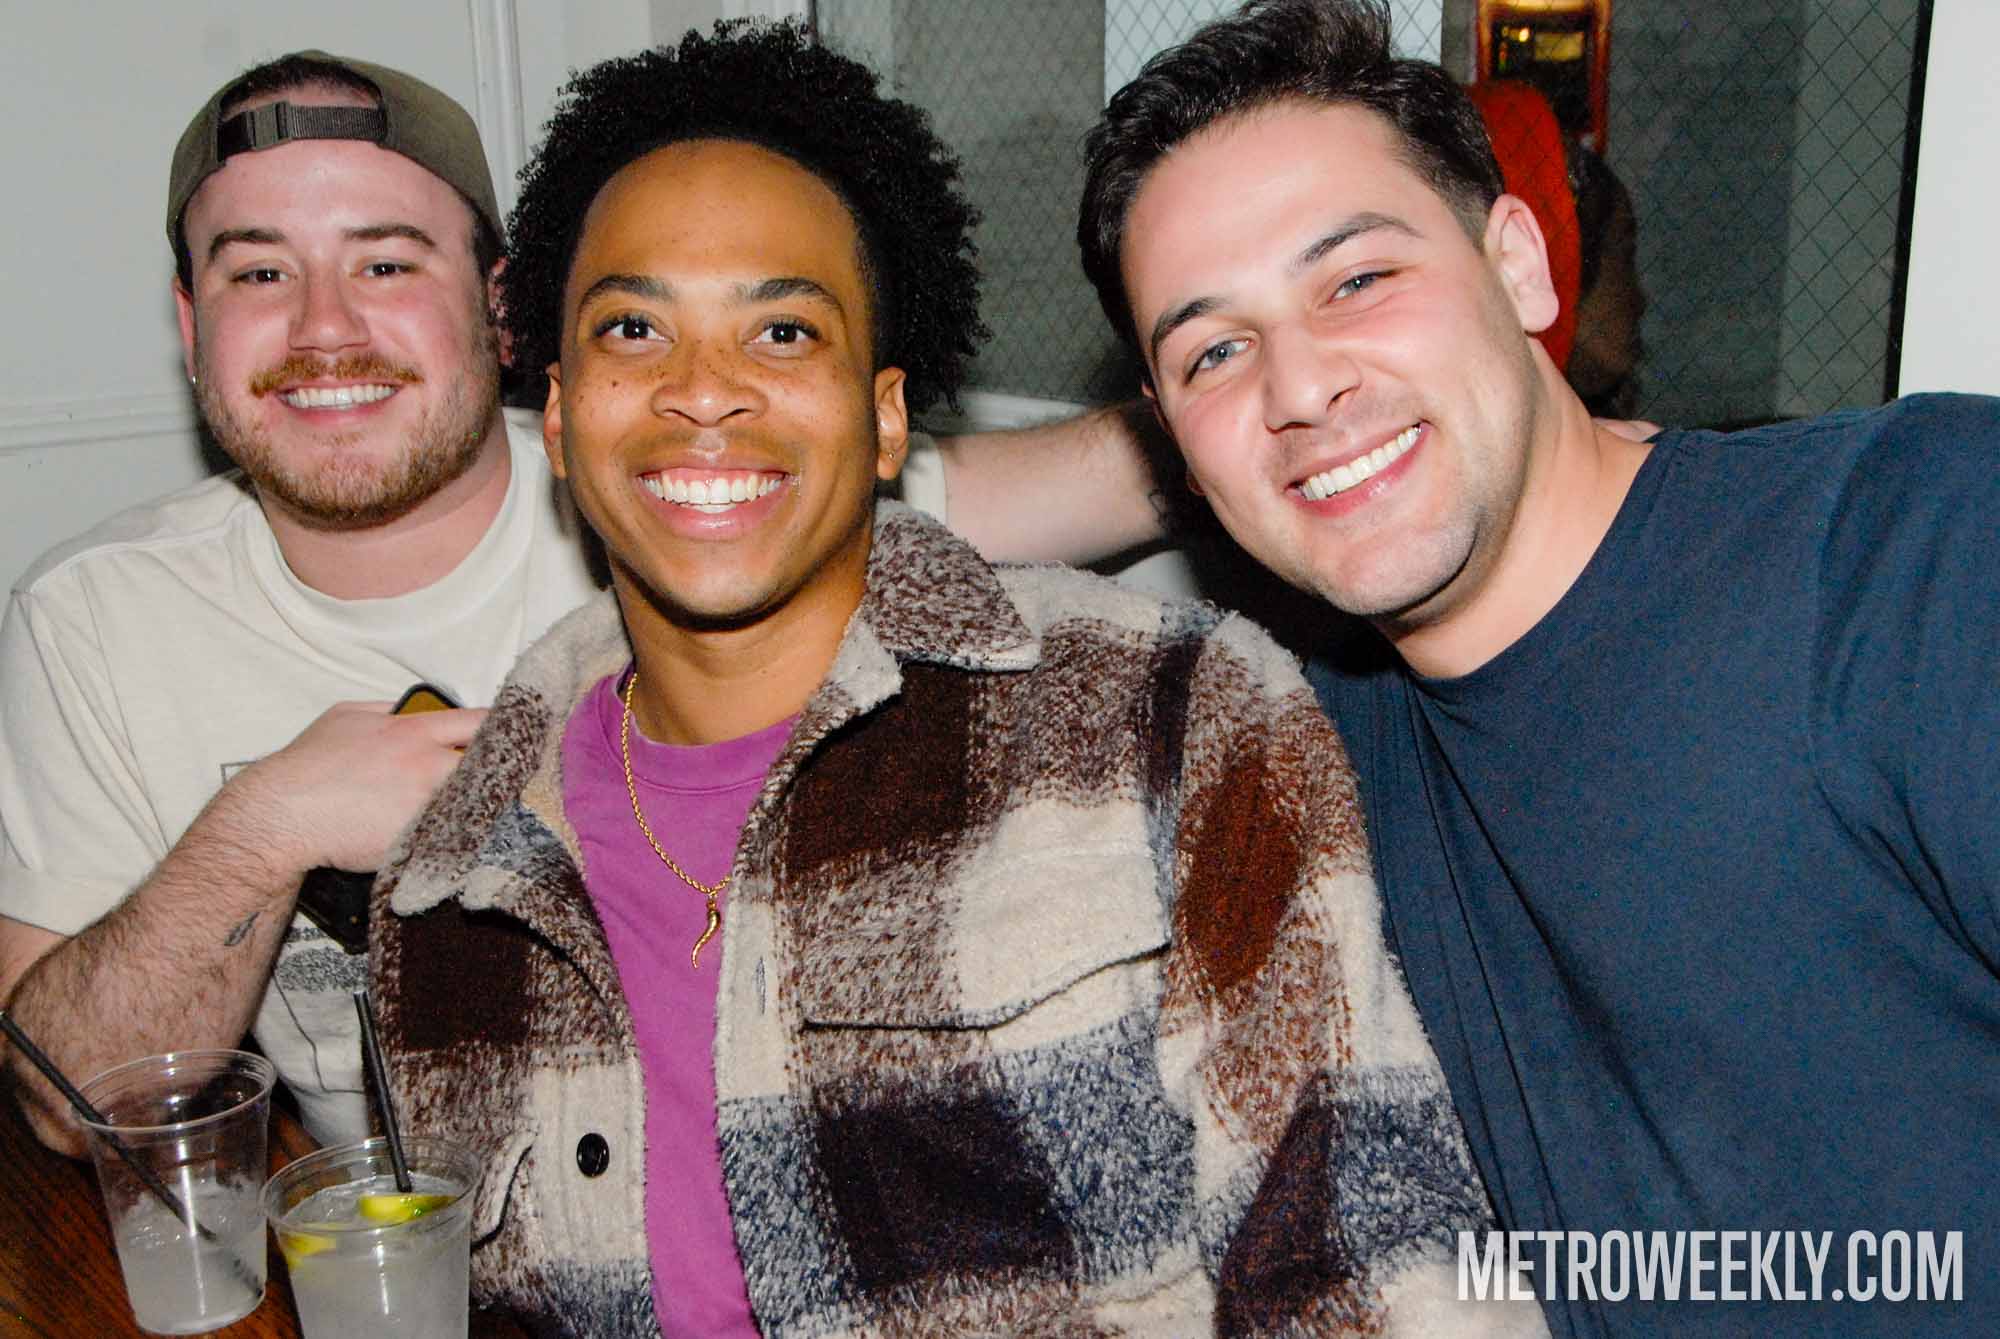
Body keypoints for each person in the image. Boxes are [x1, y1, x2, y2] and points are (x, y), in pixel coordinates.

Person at [366, 22, 1543, 1338]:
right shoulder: (448, 889)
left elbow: (1384, 1270)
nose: (702, 392)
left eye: (783, 331)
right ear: (560, 413)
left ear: (882, 419)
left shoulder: (1167, 717)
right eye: (634, 328)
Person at [0, 50, 1150, 1157]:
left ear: (501, 305)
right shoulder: (98, 619)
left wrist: (1242, 366)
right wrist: (263, 830)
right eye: (258, 273)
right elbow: (68, 1098)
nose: (325, 328)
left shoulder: (676, 490)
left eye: (386, 264)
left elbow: (1127, 468)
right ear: (191, 323)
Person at [1071, 1, 1999, 1335]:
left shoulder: (1912, 548)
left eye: (1356, 280)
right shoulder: (1303, 746)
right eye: (1214, 348)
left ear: (1517, 266)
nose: (1301, 385)